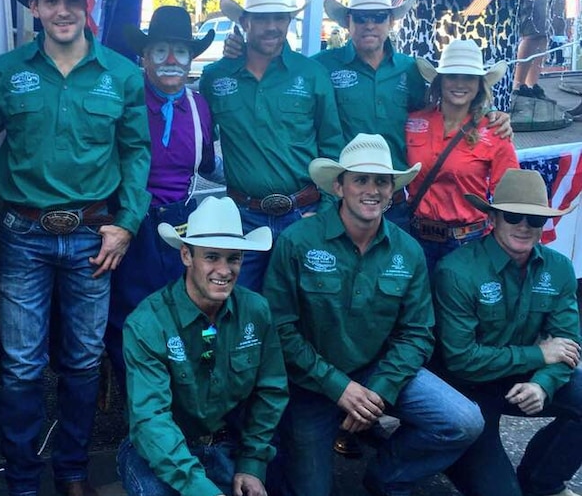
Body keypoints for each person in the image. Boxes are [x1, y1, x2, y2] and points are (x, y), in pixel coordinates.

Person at [0, 0, 151, 496]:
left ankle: (74, 471)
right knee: (21, 367)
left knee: (82, 362)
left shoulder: (122, 75)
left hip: (92, 235)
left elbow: (135, 154)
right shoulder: (5, 74)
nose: (62, 10)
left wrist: (126, 224)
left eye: (71, 0)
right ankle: (22, 480)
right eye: (50, 0)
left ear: (86, 5)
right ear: (34, 8)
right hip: (23, 237)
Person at [263, 133, 484, 496]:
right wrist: (339, 386)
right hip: (312, 381)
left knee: (464, 421)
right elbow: (280, 328)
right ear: (339, 186)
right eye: (360, 179)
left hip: (377, 370)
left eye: (382, 181)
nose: (372, 189)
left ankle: (388, 476)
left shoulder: (407, 250)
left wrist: (379, 391)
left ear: (393, 190)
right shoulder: (298, 241)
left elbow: (417, 333)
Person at [224, 0, 511, 231]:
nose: (369, 24)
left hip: (395, 202)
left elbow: (446, 105)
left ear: (391, 20)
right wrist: (243, 51)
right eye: (361, 17)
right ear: (348, 21)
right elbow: (279, 72)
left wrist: (489, 113)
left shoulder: (409, 70)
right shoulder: (321, 67)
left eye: (378, 16)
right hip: (344, 202)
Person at [118, 196, 288, 496]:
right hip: (161, 449)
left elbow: (270, 390)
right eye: (212, 257)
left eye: (233, 258)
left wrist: (252, 463)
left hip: (230, 444)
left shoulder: (256, 310)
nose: (224, 270)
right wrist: (200, 489)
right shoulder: (147, 322)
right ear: (186, 255)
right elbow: (151, 420)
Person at [433, 169, 582, 496]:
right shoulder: (456, 271)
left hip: (526, 379)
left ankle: (542, 482)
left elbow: (568, 344)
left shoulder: (558, 267)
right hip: (469, 390)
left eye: (535, 219)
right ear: (494, 218)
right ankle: (448, 453)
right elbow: (460, 360)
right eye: (514, 215)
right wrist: (539, 354)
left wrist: (542, 384)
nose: (524, 226)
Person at [200, 0, 343, 292]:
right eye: (262, 18)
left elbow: (332, 146)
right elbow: (198, 143)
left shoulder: (312, 75)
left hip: (303, 214)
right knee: (239, 310)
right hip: (242, 218)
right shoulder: (215, 77)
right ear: (245, 21)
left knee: (306, 309)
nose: (272, 26)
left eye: (280, 17)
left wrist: (324, 212)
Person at [105, 5, 220, 390]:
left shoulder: (198, 106)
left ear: (191, 59)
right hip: (132, 223)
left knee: (189, 311)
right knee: (128, 316)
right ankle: (138, 401)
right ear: (144, 56)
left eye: (180, 52)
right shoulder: (126, 97)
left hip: (182, 221)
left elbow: (204, 165)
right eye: (160, 51)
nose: (171, 61)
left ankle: (187, 400)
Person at [406, 39, 519, 270]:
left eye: (468, 77)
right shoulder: (414, 121)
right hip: (416, 237)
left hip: (467, 242)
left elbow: (509, 195)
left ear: (479, 84)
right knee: (416, 305)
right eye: (452, 76)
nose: (460, 83)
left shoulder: (495, 130)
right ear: (439, 82)